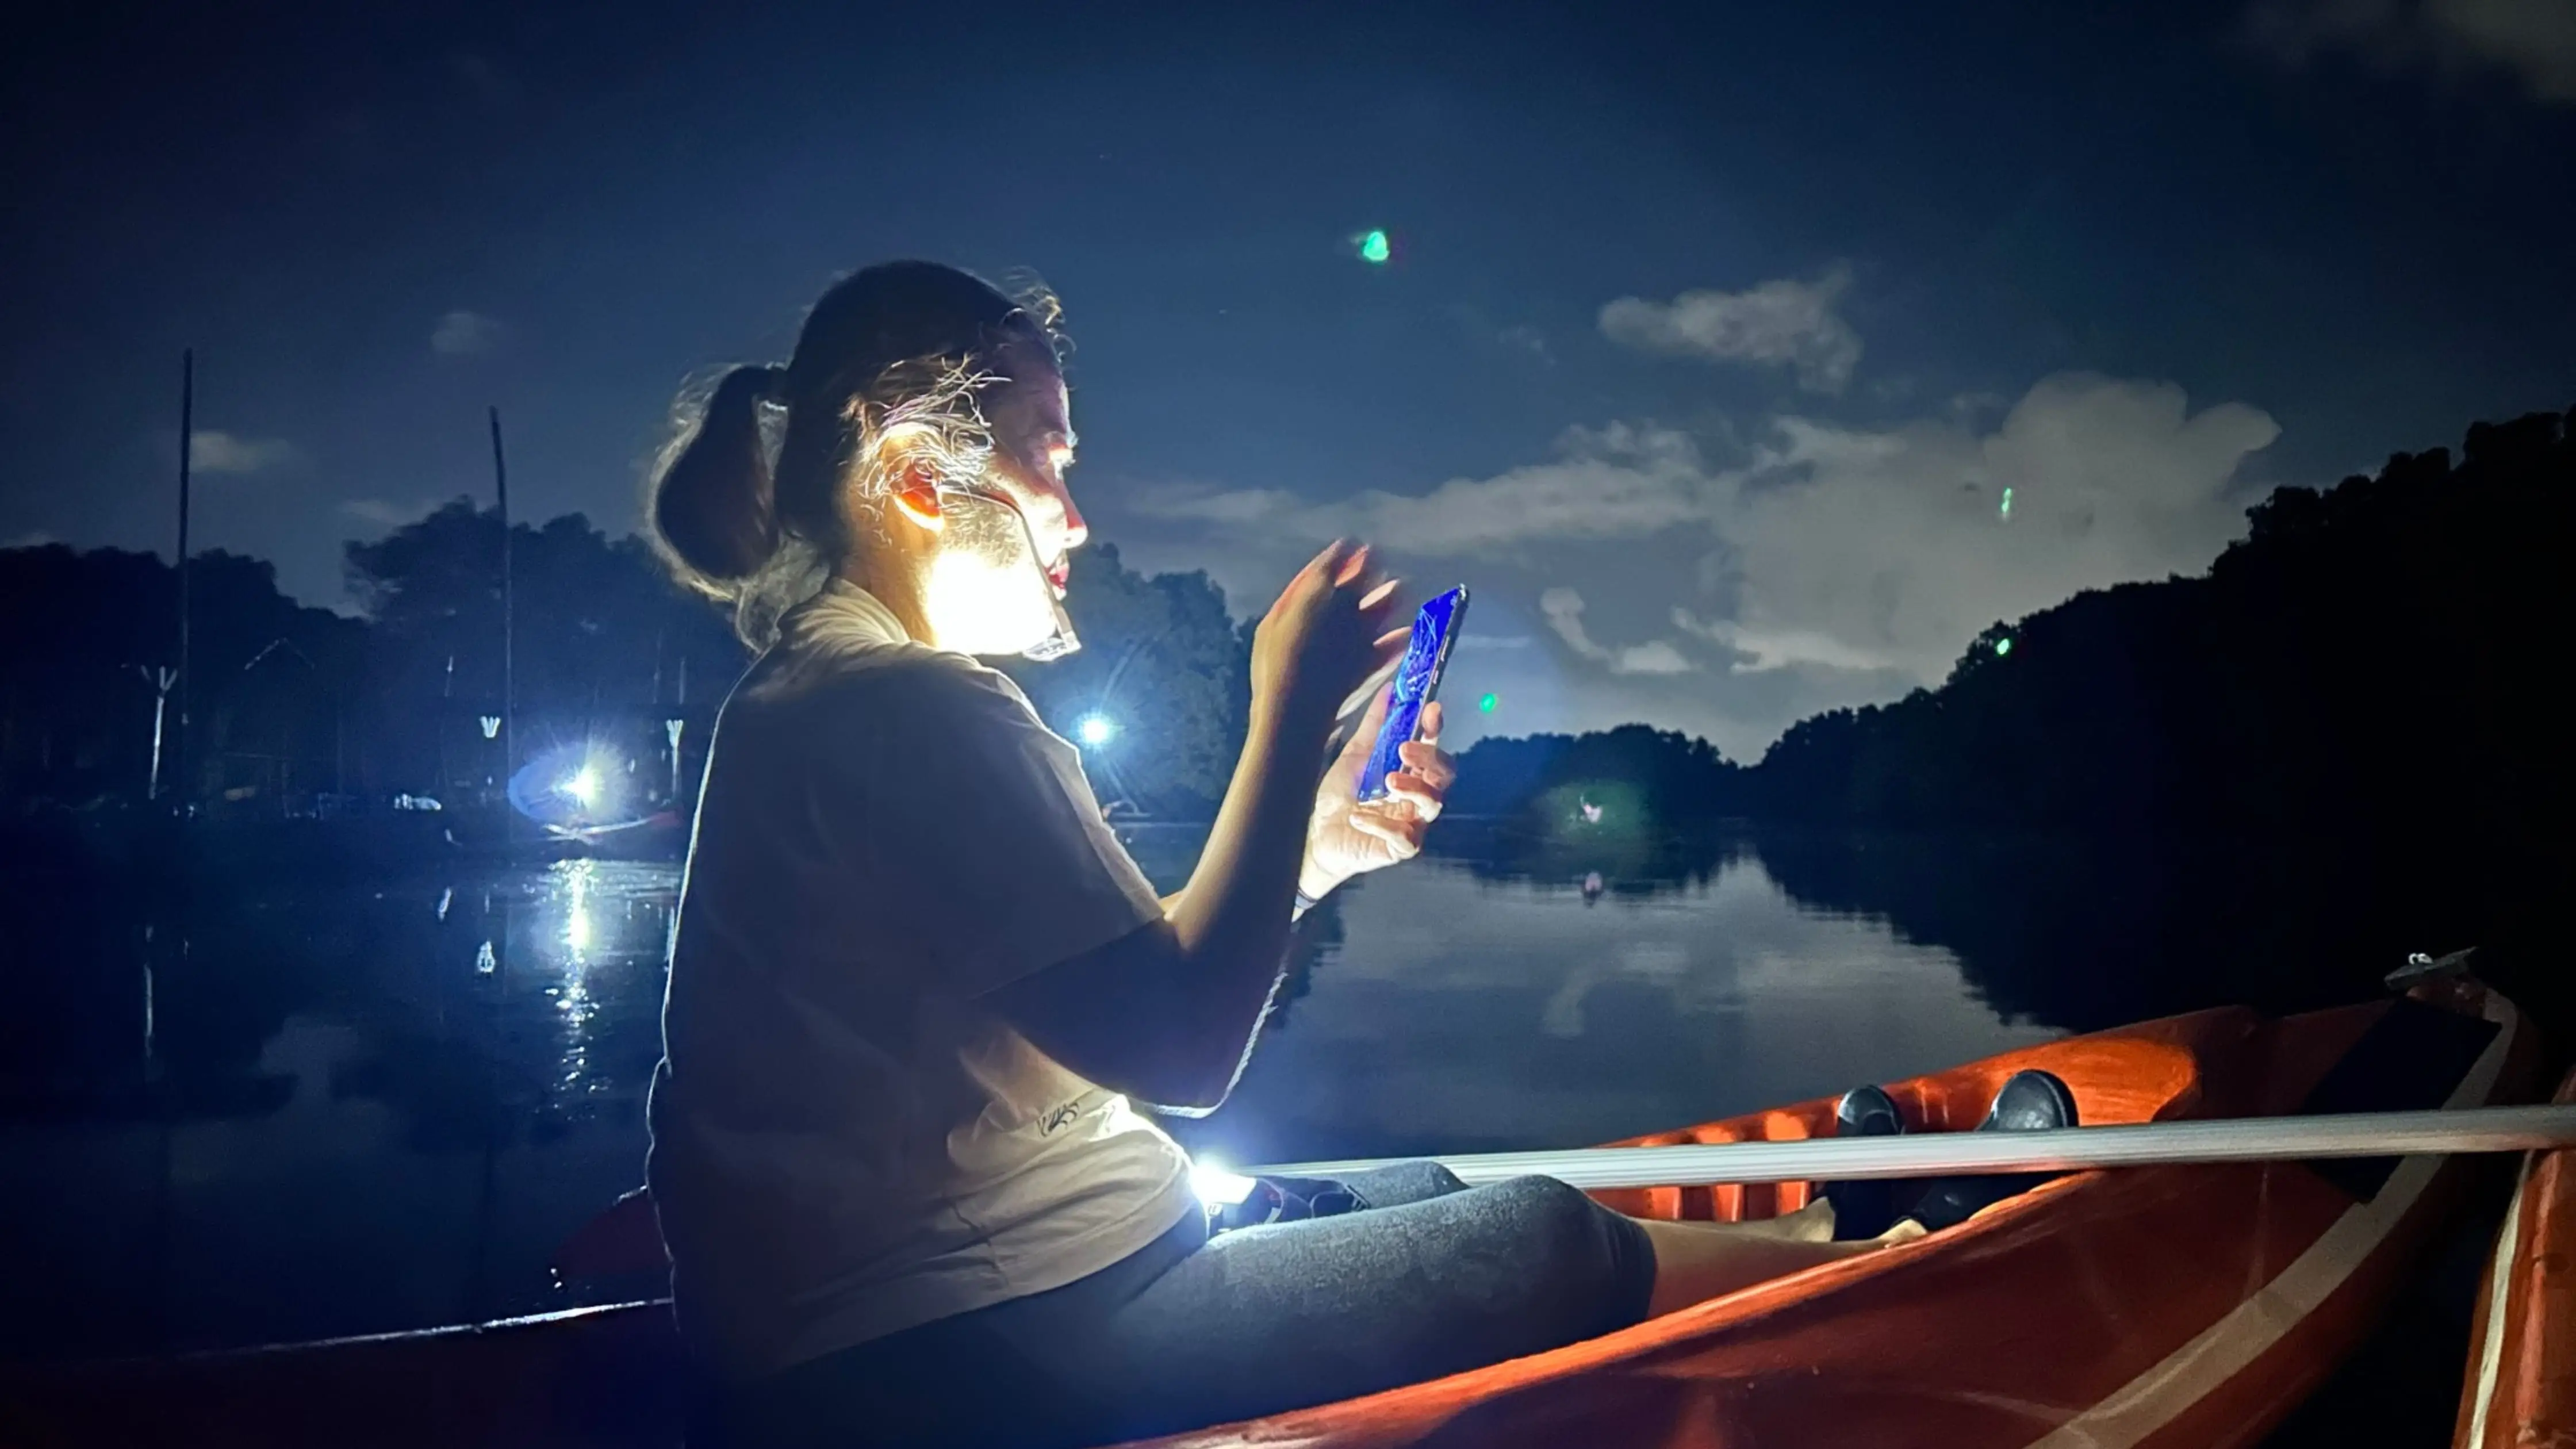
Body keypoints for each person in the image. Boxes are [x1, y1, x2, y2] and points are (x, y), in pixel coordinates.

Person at [643, 260, 1919, 1449]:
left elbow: (1093, 988)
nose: (1077, 521)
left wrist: (1310, 848)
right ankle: (1901, 1267)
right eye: (1049, 459)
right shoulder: (908, 709)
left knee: (1424, 1183)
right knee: (1535, 1240)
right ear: (921, 479)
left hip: (987, 1290)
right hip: (942, 1349)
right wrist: (1286, 707)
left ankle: (1830, 1229)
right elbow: (1182, 1051)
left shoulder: (837, 692)